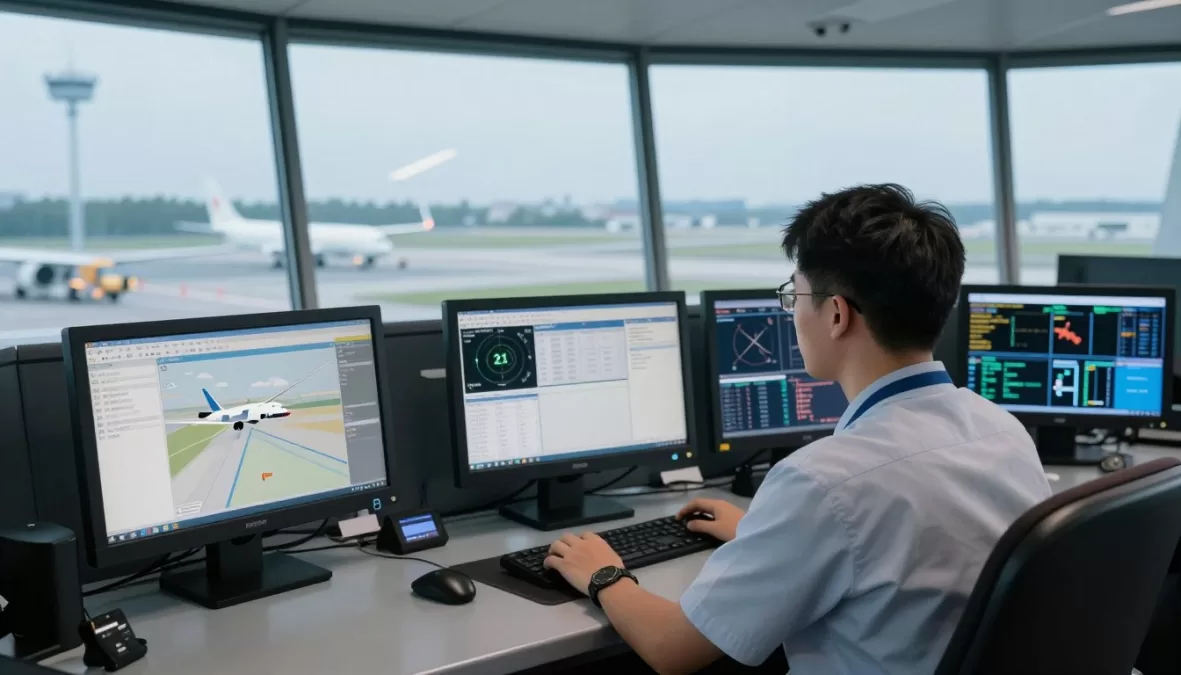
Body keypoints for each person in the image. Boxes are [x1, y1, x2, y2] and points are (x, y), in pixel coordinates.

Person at [542, 184, 1053, 675]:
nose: (793, 312)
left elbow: (671, 648)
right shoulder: (1001, 431)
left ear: (835, 315)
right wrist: (761, 536)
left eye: (796, 294)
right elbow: (914, 562)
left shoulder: (824, 482)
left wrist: (604, 573)